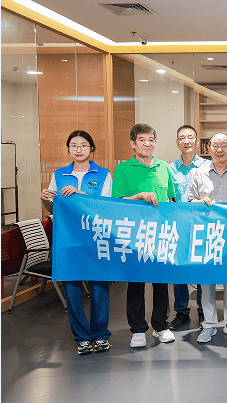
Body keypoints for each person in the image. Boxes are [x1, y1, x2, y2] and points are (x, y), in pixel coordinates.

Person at [40, 130, 113, 355]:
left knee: (99, 287)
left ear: (91, 148)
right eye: (74, 145)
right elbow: (55, 208)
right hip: (67, 238)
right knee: (71, 288)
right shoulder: (59, 174)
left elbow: (106, 207)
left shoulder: (103, 174)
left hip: (95, 238)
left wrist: (79, 193)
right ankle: (82, 337)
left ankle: (100, 335)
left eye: (83, 145)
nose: (78, 149)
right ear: (68, 149)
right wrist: (46, 200)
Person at [112, 123, 176, 348]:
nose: (147, 144)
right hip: (134, 234)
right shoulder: (123, 169)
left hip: (161, 233)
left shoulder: (164, 167)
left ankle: (161, 325)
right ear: (133, 143)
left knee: (161, 282)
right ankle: (138, 329)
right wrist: (138, 196)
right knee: (136, 283)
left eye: (151, 140)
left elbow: (172, 199)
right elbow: (117, 202)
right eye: (142, 140)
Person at [188, 133, 227, 344]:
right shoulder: (198, 173)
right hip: (207, 235)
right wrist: (197, 202)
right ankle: (209, 324)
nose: (220, 149)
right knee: (207, 282)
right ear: (208, 149)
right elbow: (189, 201)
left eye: (224, 145)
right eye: (215, 145)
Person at [168, 124, 209, 331]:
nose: (186, 141)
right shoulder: (169, 169)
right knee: (179, 268)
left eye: (190, 137)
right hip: (178, 224)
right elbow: (168, 197)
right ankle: (181, 312)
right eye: (182, 138)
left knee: (201, 267)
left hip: (202, 223)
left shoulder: (207, 167)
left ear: (197, 141)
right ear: (177, 143)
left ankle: (203, 310)